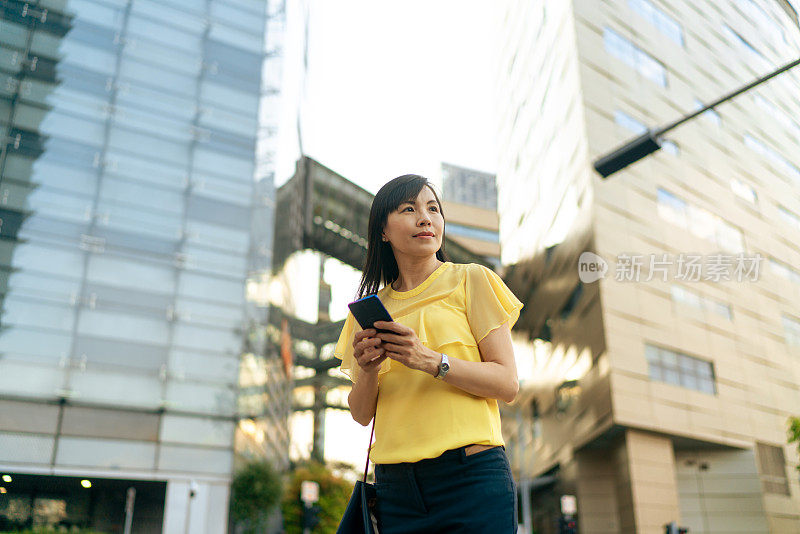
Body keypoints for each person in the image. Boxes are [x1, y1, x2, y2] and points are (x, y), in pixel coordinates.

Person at [334, 174, 523, 533]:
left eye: (433, 208)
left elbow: (507, 383)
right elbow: (360, 414)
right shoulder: (368, 312)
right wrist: (370, 369)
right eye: (409, 208)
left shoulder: (472, 280)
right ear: (383, 231)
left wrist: (430, 361)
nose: (425, 218)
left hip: (471, 479)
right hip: (395, 492)